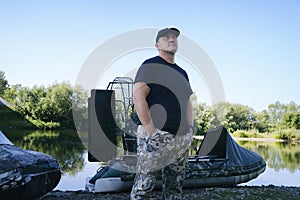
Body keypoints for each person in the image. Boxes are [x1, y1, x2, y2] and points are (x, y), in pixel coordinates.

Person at [130, 27, 194, 200]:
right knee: (145, 186)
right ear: (157, 45)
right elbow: (138, 97)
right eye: (166, 37)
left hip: (180, 138)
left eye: (174, 37)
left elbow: (187, 101)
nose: (172, 39)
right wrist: (151, 132)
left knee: (175, 186)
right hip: (156, 135)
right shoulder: (151, 66)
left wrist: (190, 129)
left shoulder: (183, 72)